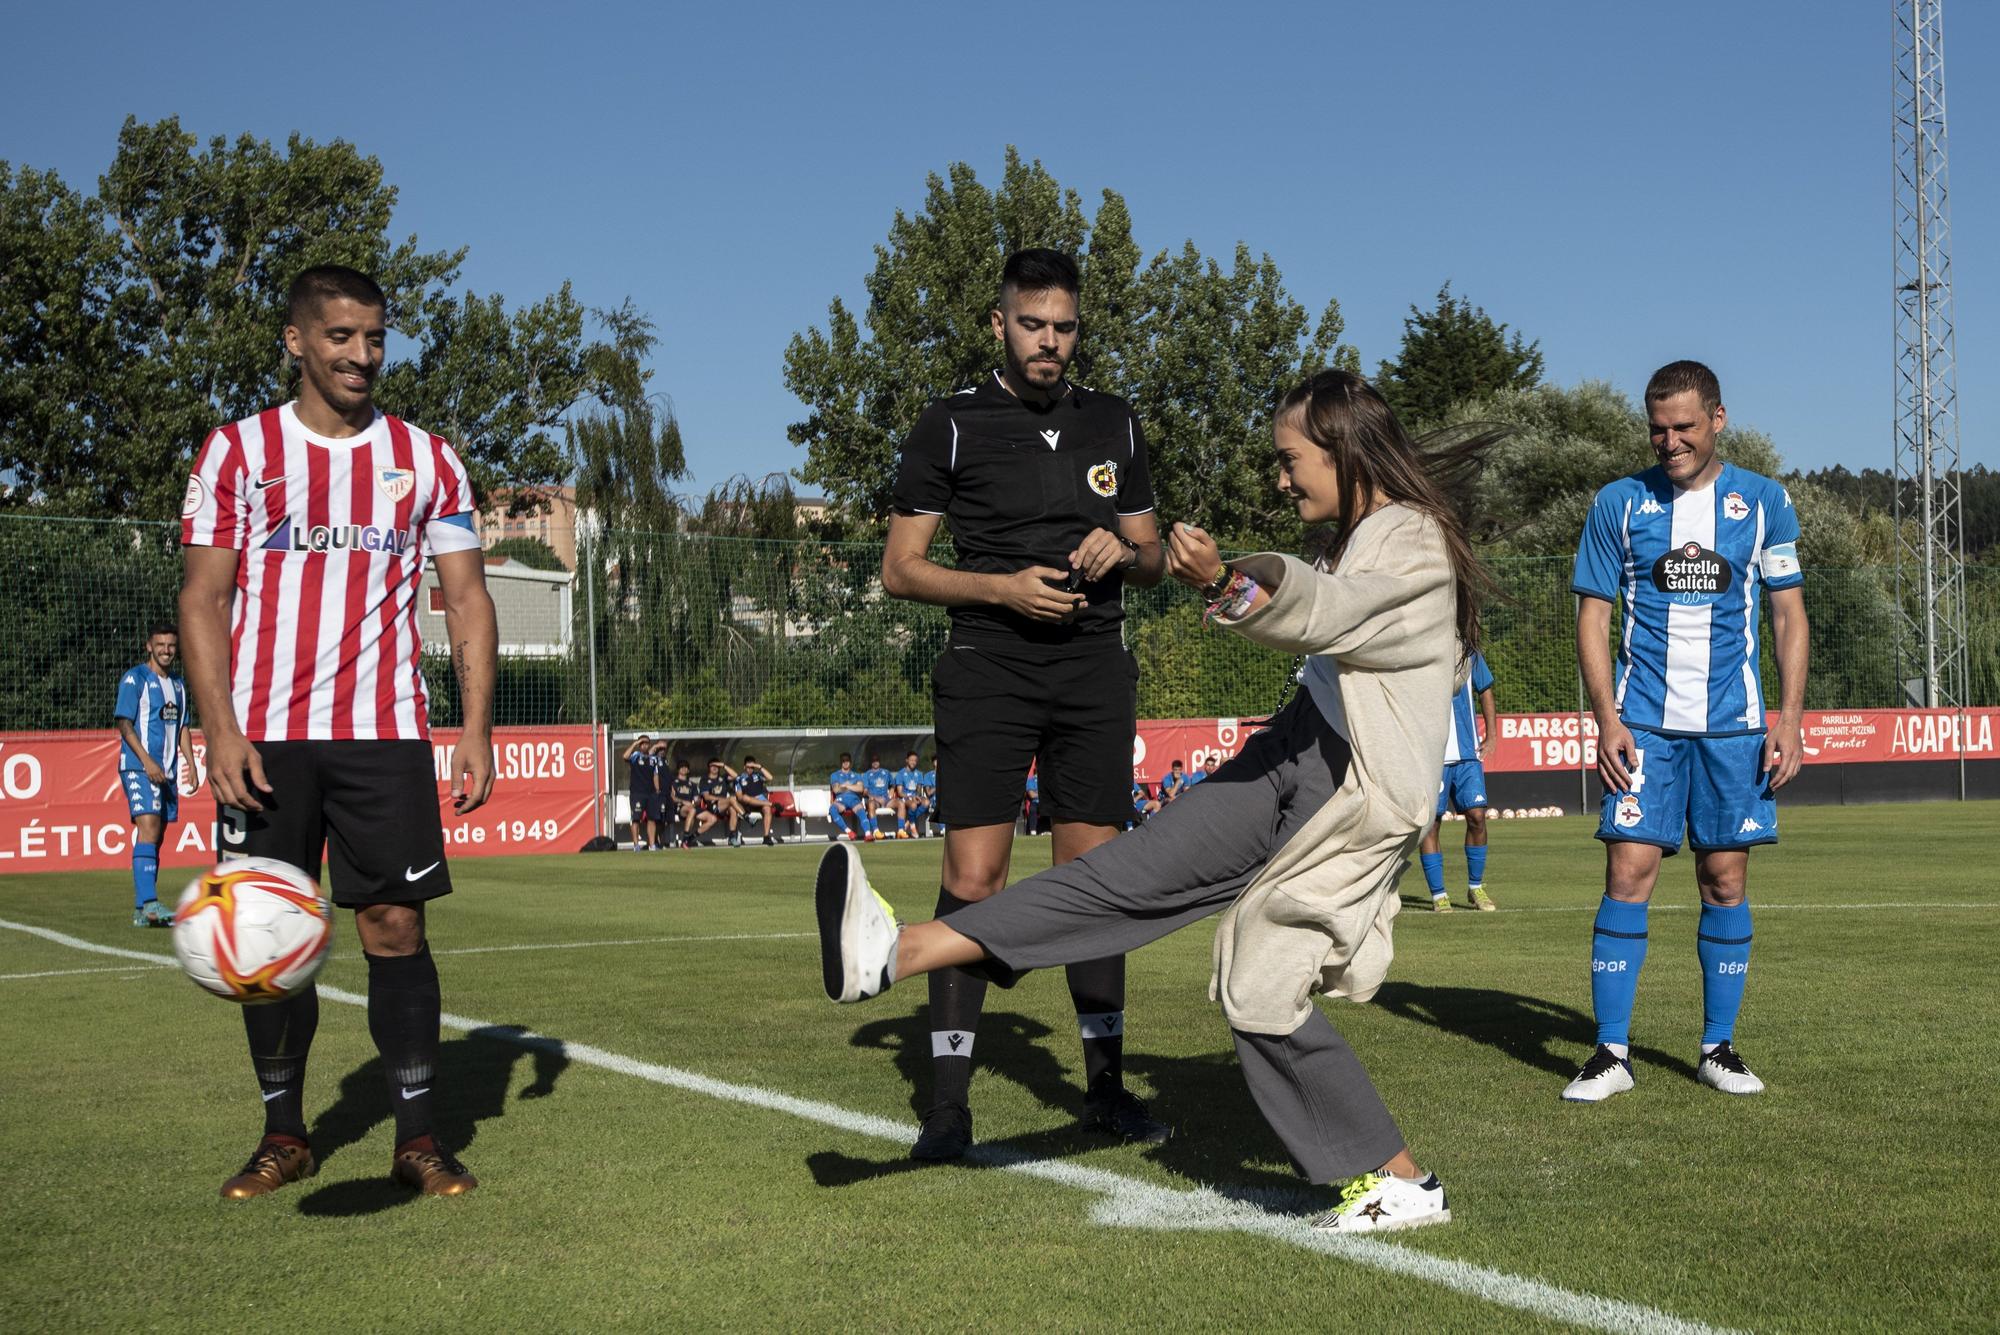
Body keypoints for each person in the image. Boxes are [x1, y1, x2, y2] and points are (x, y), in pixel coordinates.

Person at [822, 367, 1498, 1229]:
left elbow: (1327, 609)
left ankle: (1398, 1176)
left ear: (1343, 449)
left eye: (1291, 460)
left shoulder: (1411, 540)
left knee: (1258, 982)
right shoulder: (1364, 530)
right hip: (1298, 747)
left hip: (1351, 787)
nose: (1280, 478)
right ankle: (895, 951)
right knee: (1124, 871)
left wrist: (1222, 580)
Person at [179, 264, 496, 1199]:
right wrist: (221, 726)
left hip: (384, 733)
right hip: (265, 738)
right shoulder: (237, 452)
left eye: (374, 337)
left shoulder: (427, 459)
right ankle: (285, 1135)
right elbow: (202, 596)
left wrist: (473, 727)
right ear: (297, 341)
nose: (361, 355)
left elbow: (468, 598)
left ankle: (419, 1136)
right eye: (341, 337)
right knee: (267, 938)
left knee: (395, 925)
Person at [879, 248, 1171, 1158]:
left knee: (1100, 885)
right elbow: (900, 569)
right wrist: (1004, 590)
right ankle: (949, 1111)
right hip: (989, 668)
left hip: (1092, 670)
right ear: (999, 325)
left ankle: (1107, 1091)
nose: (1049, 341)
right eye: (1032, 324)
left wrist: (1120, 553)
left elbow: (1157, 555)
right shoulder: (951, 425)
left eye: (1064, 326)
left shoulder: (1114, 421)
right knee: (974, 882)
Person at [1561, 360, 1808, 1104]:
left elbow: (1788, 614)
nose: (1670, 441)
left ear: (1718, 419)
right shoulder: (1619, 503)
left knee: (1724, 878)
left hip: (1734, 730)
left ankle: (1717, 1046)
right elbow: (1593, 617)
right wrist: (1606, 719)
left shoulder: (1764, 502)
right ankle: (1610, 1052)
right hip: (1643, 728)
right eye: (1658, 429)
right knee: (1627, 873)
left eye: (1685, 427)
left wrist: (1788, 720)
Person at [114, 624, 200, 926]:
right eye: (160, 645)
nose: (166, 650)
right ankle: (150, 904)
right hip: (140, 766)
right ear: (149, 646)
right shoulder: (135, 678)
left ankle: (142, 910)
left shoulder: (177, 685)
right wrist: (147, 761)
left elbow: (183, 728)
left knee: (157, 836)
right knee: (148, 827)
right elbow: (124, 723)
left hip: (167, 772)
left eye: (171, 645)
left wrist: (190, 764)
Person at [1419, 650, 1497, 912]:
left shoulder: (1469, 651)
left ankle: (1476, 888)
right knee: (1431, 824)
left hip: (1467, 753)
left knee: (1477, 816)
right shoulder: (1419, 646)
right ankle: (1439, 894)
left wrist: (1492, 734)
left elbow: (1485, 688)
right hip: (1432, 755)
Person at [622, 733, 662, 851]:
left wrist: (657, 790)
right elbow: (625, 756)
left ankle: (652, 845)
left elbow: (655, 775)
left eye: (646, 743)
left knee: (652, 819)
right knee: (636, 818)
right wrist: (635, 743)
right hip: (637, 793)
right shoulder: (635, 756)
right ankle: (636, 845)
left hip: (651, 793)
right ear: (639, 745)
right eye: (642, 743)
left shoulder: (653, 758)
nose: (644, 746)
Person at [694, 758, 740, 847]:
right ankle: (745, 816)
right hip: (712, 806)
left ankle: (732, 837)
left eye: (717, 766)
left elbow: (735, 776)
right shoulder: (704, 780)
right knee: (731, 799)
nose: (715, 768)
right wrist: (721, 799)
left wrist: (723, 765)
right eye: (712, 766)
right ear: (708, 768)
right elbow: (707, 797)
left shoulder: (723, 778)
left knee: (732, 809)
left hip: (725, 805)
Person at [734, 756, 777, 845]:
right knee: (745, 797)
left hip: (759, 804)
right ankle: (770, 803)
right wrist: (752, 799)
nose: (750, 769)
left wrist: (759, 766)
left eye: (752, 767)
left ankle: (766, 837)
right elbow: (739, 796)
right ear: (744, 767)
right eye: (748, 767)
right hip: (746, 805)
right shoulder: (739, 778)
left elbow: (770, 778)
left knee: (767, 809)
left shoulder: (758, 775)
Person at [828, 753, 870, 841]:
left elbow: (860, 788)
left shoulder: (857, 775)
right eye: (843, 760)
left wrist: (846, 786)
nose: (845, 762)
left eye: (847, 760)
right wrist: (853, 785)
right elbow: (836, 790)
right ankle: (849, 832)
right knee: (832, 809)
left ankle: (868, 834)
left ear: (850, 762)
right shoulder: (835, 775)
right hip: (841, 800)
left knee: (861, 810)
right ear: (840, 762)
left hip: (854, 799)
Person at [891, 751, 930, 838]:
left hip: (914, 797)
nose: (913, 762)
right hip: (905, 798)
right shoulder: (900, 774)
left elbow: (919, 790)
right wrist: (911, 797)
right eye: (911, 760)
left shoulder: (919, 774)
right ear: (907, 760)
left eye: (915, 760)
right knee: (913, 805)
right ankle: (912, 826)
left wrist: (917, 796)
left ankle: (908, 822)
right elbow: (900, 793)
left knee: (926, 802)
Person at [860, 756, 897, 840]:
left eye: (877, 760)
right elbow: (865, 791)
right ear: (871, 762)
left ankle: (901, 830)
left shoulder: (886, 772)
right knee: (871, 804)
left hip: (886, 799)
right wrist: (876, 798)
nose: (875, 762)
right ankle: (876, 831)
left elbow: (893, 785)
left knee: (901, 803)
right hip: (874, 800)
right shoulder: (866, 774)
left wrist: (890, 794)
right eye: (873, 761)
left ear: (879, 761)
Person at [669, 760, 701, 850]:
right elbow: (672, 798)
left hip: (691, 807)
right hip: (679, 807)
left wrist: (697, 801)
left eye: (686, 767)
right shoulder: (673, 783)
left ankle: (687, 838)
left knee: (711, 818)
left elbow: (696, 799)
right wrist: (683, 802)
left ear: (688, 770)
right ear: (678, 769)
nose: (684, 768)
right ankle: (685, 840)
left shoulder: (692, 785)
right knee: (692, 811)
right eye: (681, 767)